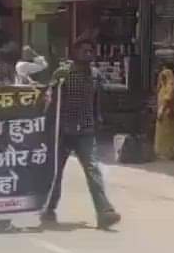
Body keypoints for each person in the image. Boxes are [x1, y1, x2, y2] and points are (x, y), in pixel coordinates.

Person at [45, 37, 122, 229]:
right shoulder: (63, 72)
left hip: (86, 129)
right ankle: (48, 207)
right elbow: (49, 99)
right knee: (55, 172)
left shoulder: (94, 75)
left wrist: (99, 119)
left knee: (93, 169)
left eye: (90, 51)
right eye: (84, 50)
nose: (88, 54)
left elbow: (100, 99)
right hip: (62, 130)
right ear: (75, 52)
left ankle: (104, 211)